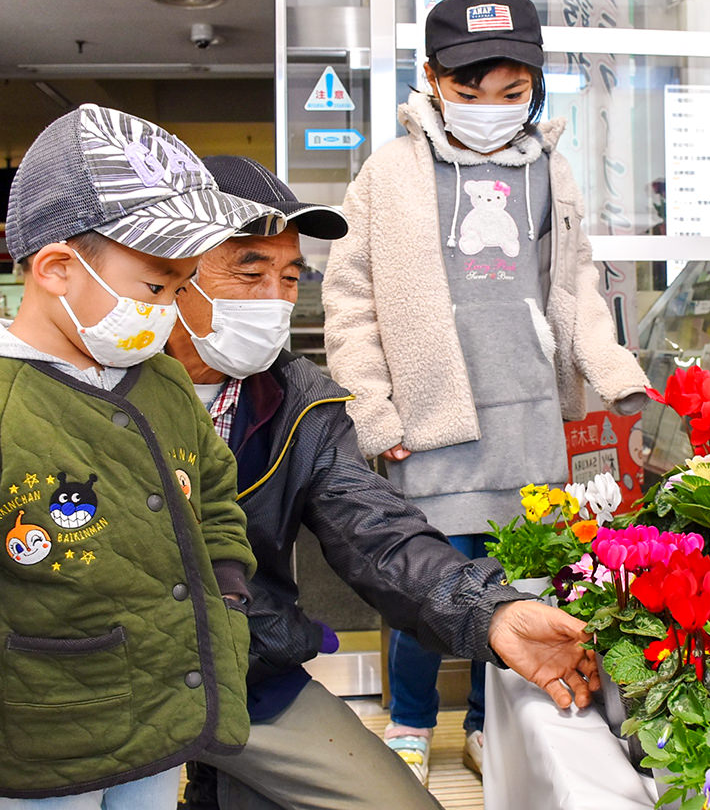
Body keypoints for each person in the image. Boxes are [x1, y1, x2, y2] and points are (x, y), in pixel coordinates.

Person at [169, 155, 603, 810]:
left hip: (248, 674)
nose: (274, 299)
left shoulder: (301, 401)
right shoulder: (105, 386)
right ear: (169, 268)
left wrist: (495, 612)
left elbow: (380, 536)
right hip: (109, 685)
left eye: (290, 276)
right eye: (249, 269)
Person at [322, 0, 650, 784]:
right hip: (434, 417)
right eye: (469, 91)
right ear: (432, 78)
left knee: (518, 581)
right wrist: (372, 407)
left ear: (535, 87)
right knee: (424, 584)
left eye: (512, 92)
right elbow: (350, 295)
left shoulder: (550, 170)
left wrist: (614, 375)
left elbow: (574, 283)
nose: (490, 107)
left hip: (531, 412)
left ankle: (483, 721)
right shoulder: (389, 171)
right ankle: (407, 722)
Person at [0, 105, 283, 808]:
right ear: (59, 268)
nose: (171, 308)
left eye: (183, 285)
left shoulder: (159, 378)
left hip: (166, 708)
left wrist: (224, 585)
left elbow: (214, 491)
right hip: (42, 730)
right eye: (157, 286)